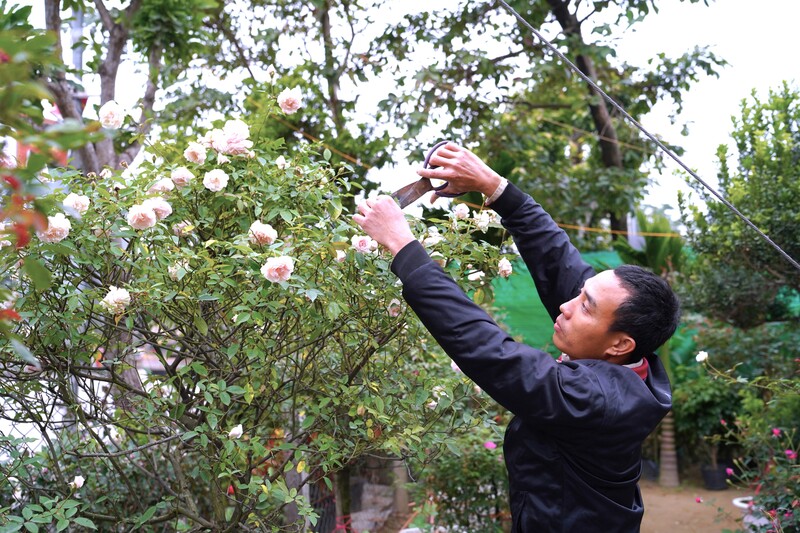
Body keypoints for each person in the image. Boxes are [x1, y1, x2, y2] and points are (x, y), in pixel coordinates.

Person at [353, 142, 680, 532]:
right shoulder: (626, 358)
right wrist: (493, 186)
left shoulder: (594, 399)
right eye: (580, 293)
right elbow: (559, 261)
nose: (566, 306)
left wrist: (403, 246)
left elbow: (491, 352)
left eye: (586, 305)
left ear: (620, 344)